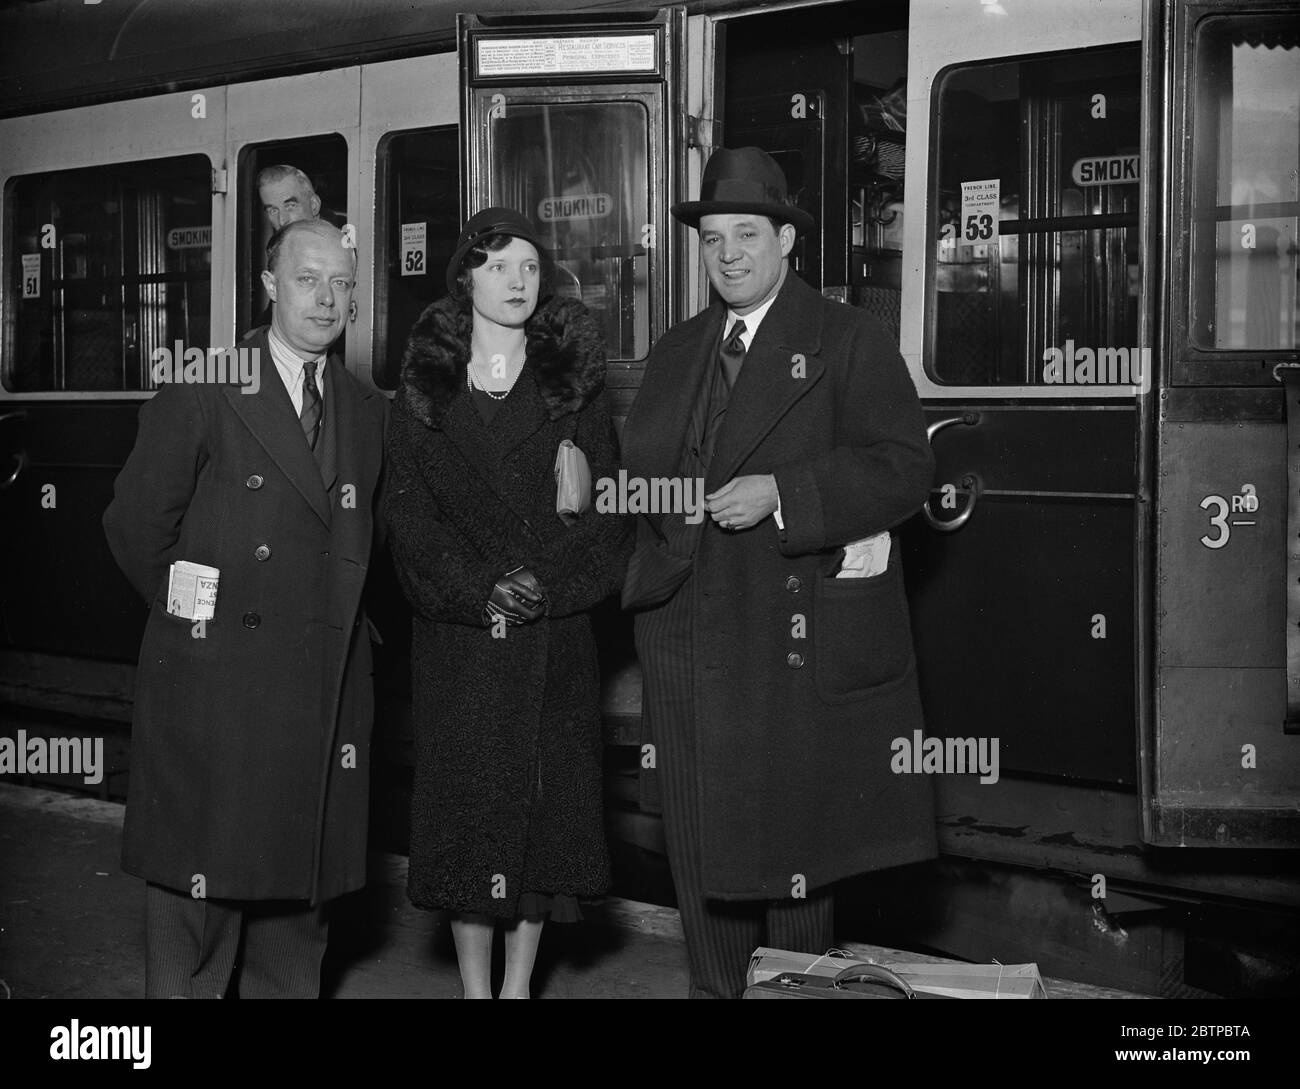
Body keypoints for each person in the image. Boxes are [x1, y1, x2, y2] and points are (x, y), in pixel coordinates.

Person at [620, 146, 937, 998]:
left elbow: (906, 470)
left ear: (786, 241)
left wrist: (785, 491)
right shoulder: (679, 347)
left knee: (795, 858)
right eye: (714, 237)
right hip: (685, 629)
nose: (728, 254)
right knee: (700, 852)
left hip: (784, 634)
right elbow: (648, 466)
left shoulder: (847, 339)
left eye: (747, 234)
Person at [103, 219, 387, 998]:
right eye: (308, 279)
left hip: (319, 702)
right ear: (268, 285)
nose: (327, 299)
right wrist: (204, 614)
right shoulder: (208, 381)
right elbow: (134, 526)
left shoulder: (366, 410)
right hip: (216, 699)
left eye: (342, 284)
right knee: (195, 935)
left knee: (293, 943)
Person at [385, 207, 631, 999]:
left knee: (538, 828)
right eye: (497, 266)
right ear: (464, 279)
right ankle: (472, 990)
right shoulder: (423, 389)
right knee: (470, 825)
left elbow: (609, 513)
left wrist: (548, 588)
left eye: (529, 267)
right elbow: (409, 519)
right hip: (462, 644)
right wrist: (478, 587)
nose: (517, 281)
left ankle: (518, 988)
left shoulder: (575, 389)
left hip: (552, 644)